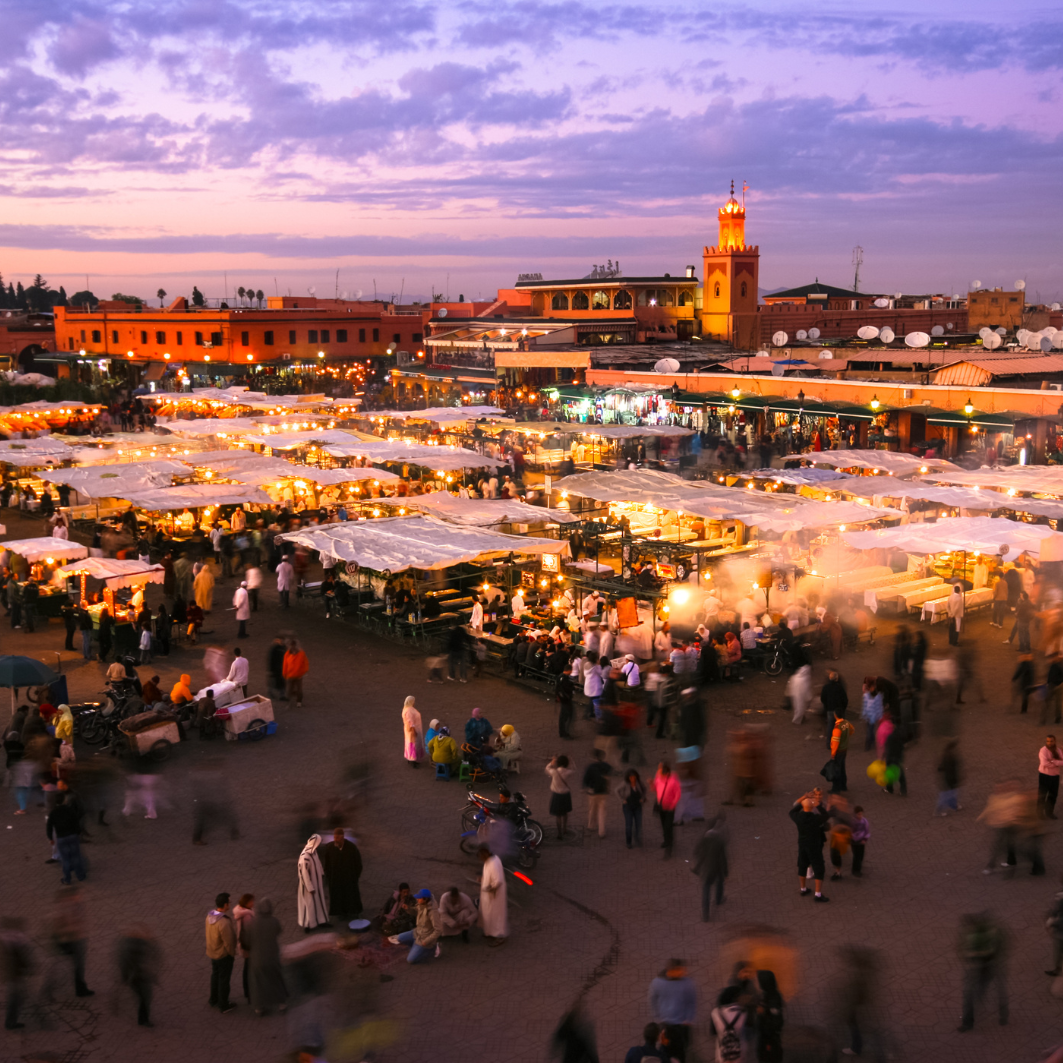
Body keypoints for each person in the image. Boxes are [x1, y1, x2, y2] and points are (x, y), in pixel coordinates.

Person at [957, 911, 1007, 1032]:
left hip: (983, 966)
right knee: (998, 989)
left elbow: (970, 953)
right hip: (991, 965)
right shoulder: (992, 931)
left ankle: (968, 1023)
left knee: (970, 994)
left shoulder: (977, 935)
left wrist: (970, 954)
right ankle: (1003, 1015)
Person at [244, 898, 287, 1015]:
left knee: (257, 982)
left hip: (257, 958)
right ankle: (281, 1004)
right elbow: (278, 931)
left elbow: (247, 941)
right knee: (276, 979)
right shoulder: (274, 921)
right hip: (272, 957)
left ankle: (259, 1007)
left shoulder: (252, 923)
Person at [648, 960, 696, 1063]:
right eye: (680, 970)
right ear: (671, 970)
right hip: (666, 1025)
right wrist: (657, 1016)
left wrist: (689, 1018)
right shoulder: (658, 983)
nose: (684, 972)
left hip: (682, 1024)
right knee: (666, 1049)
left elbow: (691, 1001)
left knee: (682, 1049)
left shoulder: (687, 983)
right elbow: (653, 999)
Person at [789, 788, 830, 901]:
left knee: (802, 865)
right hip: (814, 845)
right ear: (812, 806)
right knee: (819, 867)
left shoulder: (798, 818)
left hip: (802, 844)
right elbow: (826, 815)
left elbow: (792, 811)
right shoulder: (816, 819)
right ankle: (818, 894)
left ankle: (803, 889)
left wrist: (804, 799)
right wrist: (817, 805)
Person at [116, 925, 161, 1027]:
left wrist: (125, 978)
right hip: (138, 978)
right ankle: (143, 1020)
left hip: (137, 977)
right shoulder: (136, 948)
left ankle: (143, 1019)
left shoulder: (129, 945)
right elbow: (153, 954)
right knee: (145, 998)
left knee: (143, 998)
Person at [389, 889, 443, 963]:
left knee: (410, 960)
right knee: (398, 938)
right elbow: (416, 911)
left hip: (424, 939)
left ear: (425, 899)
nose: (417, 899)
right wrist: (408, 908)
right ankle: (415, 947)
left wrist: (426, 941)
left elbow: (438, 930)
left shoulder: (433, 913)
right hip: (416, 932)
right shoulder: (421, 904)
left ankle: (432, 949)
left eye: (419, 898)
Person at [320, 828, 363, 921]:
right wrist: (328, 875)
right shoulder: (330, 847)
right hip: (335, 879)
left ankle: (353, 912)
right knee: (338, 896)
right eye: (335, 837)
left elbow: (358, 863)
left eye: (337, 838)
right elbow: (326, 863)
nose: (335, 840)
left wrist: (355, 876)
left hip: (349, 878)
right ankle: (341, 913)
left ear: (342, 837)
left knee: (350, 895)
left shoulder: (351, 848)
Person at [693, 811, 729, 922]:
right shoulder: (719, 842)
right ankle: (718, 900)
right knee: (719, 882)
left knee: (706, 890)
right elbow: (723, 859)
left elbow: (696, 852)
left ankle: (705, 914)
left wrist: (700, 860)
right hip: (716, 868)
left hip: (706, 869)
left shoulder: (704, 840)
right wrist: (725, 872)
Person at [205, 892, 237, 1012]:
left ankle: (213, 999)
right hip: (223, 956)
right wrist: (231, 954)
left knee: (215, 976)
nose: (230, 904)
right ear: (225, 905)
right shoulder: (224, 922)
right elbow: (229, 942)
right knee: (224, 980)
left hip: (212, 953)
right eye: (229, 902)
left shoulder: (209, 917)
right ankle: (223, 1005)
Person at [1, 916, 33, 1030]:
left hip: (12, 973)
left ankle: (11, 1022)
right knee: (16, 998)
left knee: (16, 997)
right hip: (15, 974)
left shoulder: (5, 938)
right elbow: (21, 957)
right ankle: (10, 1023)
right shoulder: (17, 939)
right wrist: (29, 967)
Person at [47, 793, 86, 884]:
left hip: (61, 838)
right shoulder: (70, 810)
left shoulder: (53, 813)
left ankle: (67, 879)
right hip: (72, 836)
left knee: (65, 859)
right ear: (65, 800)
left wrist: (50, 838)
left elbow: (49, 827)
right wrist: (78, 833)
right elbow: (76, 822)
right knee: (76, 857)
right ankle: (80, 876)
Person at [296, 836, 330, 932]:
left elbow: (318, 863)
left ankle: (321, 921)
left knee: (319, 902)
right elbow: (304, 874)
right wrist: (310, 887)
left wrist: (322, 874)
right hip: (309, 886)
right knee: (309, 905)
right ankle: (308, 925)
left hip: (317, 883)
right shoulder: (305, 857)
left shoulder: (313, 852)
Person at [478, 845, 508, 946]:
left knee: (496, 915)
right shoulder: (490, 860)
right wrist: (483, 879)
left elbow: (498, 881)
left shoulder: (493, 863)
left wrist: (490, 889)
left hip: (495, 895)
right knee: (488, 914)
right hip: (489, 896)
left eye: (481, 855)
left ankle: (499, 936)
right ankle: (490, 932)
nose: (480, 857)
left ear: (486, 852)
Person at [583, 748, 612, 839]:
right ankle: (601, 831)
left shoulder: (590, 767)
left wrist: (585, 787)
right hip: (603, 791)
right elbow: (608, 776)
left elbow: (586, 779)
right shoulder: (606, 766)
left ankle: (591, 825)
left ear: (595, 757)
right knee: (602, 811)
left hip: (593, 791)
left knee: (592, 809)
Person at [653, 761, 681, 858]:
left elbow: (678, 793)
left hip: (669, 808)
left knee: (668, 826)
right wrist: (651, 784)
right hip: (661, 806)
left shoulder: (673, 780)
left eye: (662, 774)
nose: (660, 776)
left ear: (667, 773)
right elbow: (655, 788)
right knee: (663, 825)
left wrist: (673, 804)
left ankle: (669, 847)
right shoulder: (658, 776)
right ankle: (666, 841)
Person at [616, 768, 646, 849]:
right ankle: (628, 842)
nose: (633, 779)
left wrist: (642, 798)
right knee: (629, 825)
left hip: (637, 806)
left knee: (638, 824)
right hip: (628, 807)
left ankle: (637, 839)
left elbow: (644, 789)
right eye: (631, 777)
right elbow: (617, 790)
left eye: (634, 777)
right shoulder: (625, 783)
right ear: (628, 778)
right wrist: (622, 800)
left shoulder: (639, 783)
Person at [547, 755, 574, 838]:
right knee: (565, 813)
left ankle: (559, 833)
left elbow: (547, 768)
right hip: (566, 795)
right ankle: (565, 829)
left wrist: (552, 762)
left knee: (558, 815)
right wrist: (571, 761)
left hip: (556, 795)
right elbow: (573, 769)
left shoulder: (554, 772)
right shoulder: (568, 772)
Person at [828, 714, 854, 794]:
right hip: (844, 750)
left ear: (835, 715)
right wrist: (845, 738)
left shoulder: (837, 728)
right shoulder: (846, 723)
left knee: (836, 770)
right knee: (842, 768)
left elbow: (835, 742)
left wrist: (833, 754)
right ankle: (843, 786)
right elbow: (852, 730)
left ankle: (836, 789)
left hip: (838, 751)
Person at [1039, 735, 1063, 819]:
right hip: (1045, 776)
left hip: (1055, 776)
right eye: (1048, 741)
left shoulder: (1058, 750)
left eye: (1051, 741)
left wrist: (1053, 761)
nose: (1049, 743)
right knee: (1042, 795)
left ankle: (1049, 813)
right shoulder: (1043, 750)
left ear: (1055, 741)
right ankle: (1040, 814)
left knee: (1053, 796)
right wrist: (1057, 763)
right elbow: (1044, 763)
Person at [936, 740, 963, 816]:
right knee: (947, 794)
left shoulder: (946, 755)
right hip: (950, 778)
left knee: (951, 793)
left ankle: (954, 805)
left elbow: (941, 767)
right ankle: (940, 810)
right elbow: (952, 769)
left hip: (948, 778)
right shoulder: (950, 757)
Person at [1045, 876, 1063, 976]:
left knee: (1057, 949)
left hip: (1060, 930)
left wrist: (1050, 923)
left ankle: (1057, 969)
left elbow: (1056, 912)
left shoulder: (1060, 896)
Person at [283, 639, 309, 707]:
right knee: (290, 689)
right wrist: (284, 674)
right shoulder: (288, 654)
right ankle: (291, 702)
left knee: (298, 689)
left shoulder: (301, 654)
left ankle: (298, 701)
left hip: (297, 675)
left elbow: (305, 664)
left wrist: (302, 672)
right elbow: (285, 665)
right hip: (291, 675)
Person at [402, 696, 424, 767]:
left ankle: (410, 759)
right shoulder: (409, 710)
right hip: (412, 731)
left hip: (409, 730)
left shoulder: (407, 709)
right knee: (414, 745)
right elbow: (410, 722)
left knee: (410, 744)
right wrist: (414, 730)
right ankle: (413, 760)